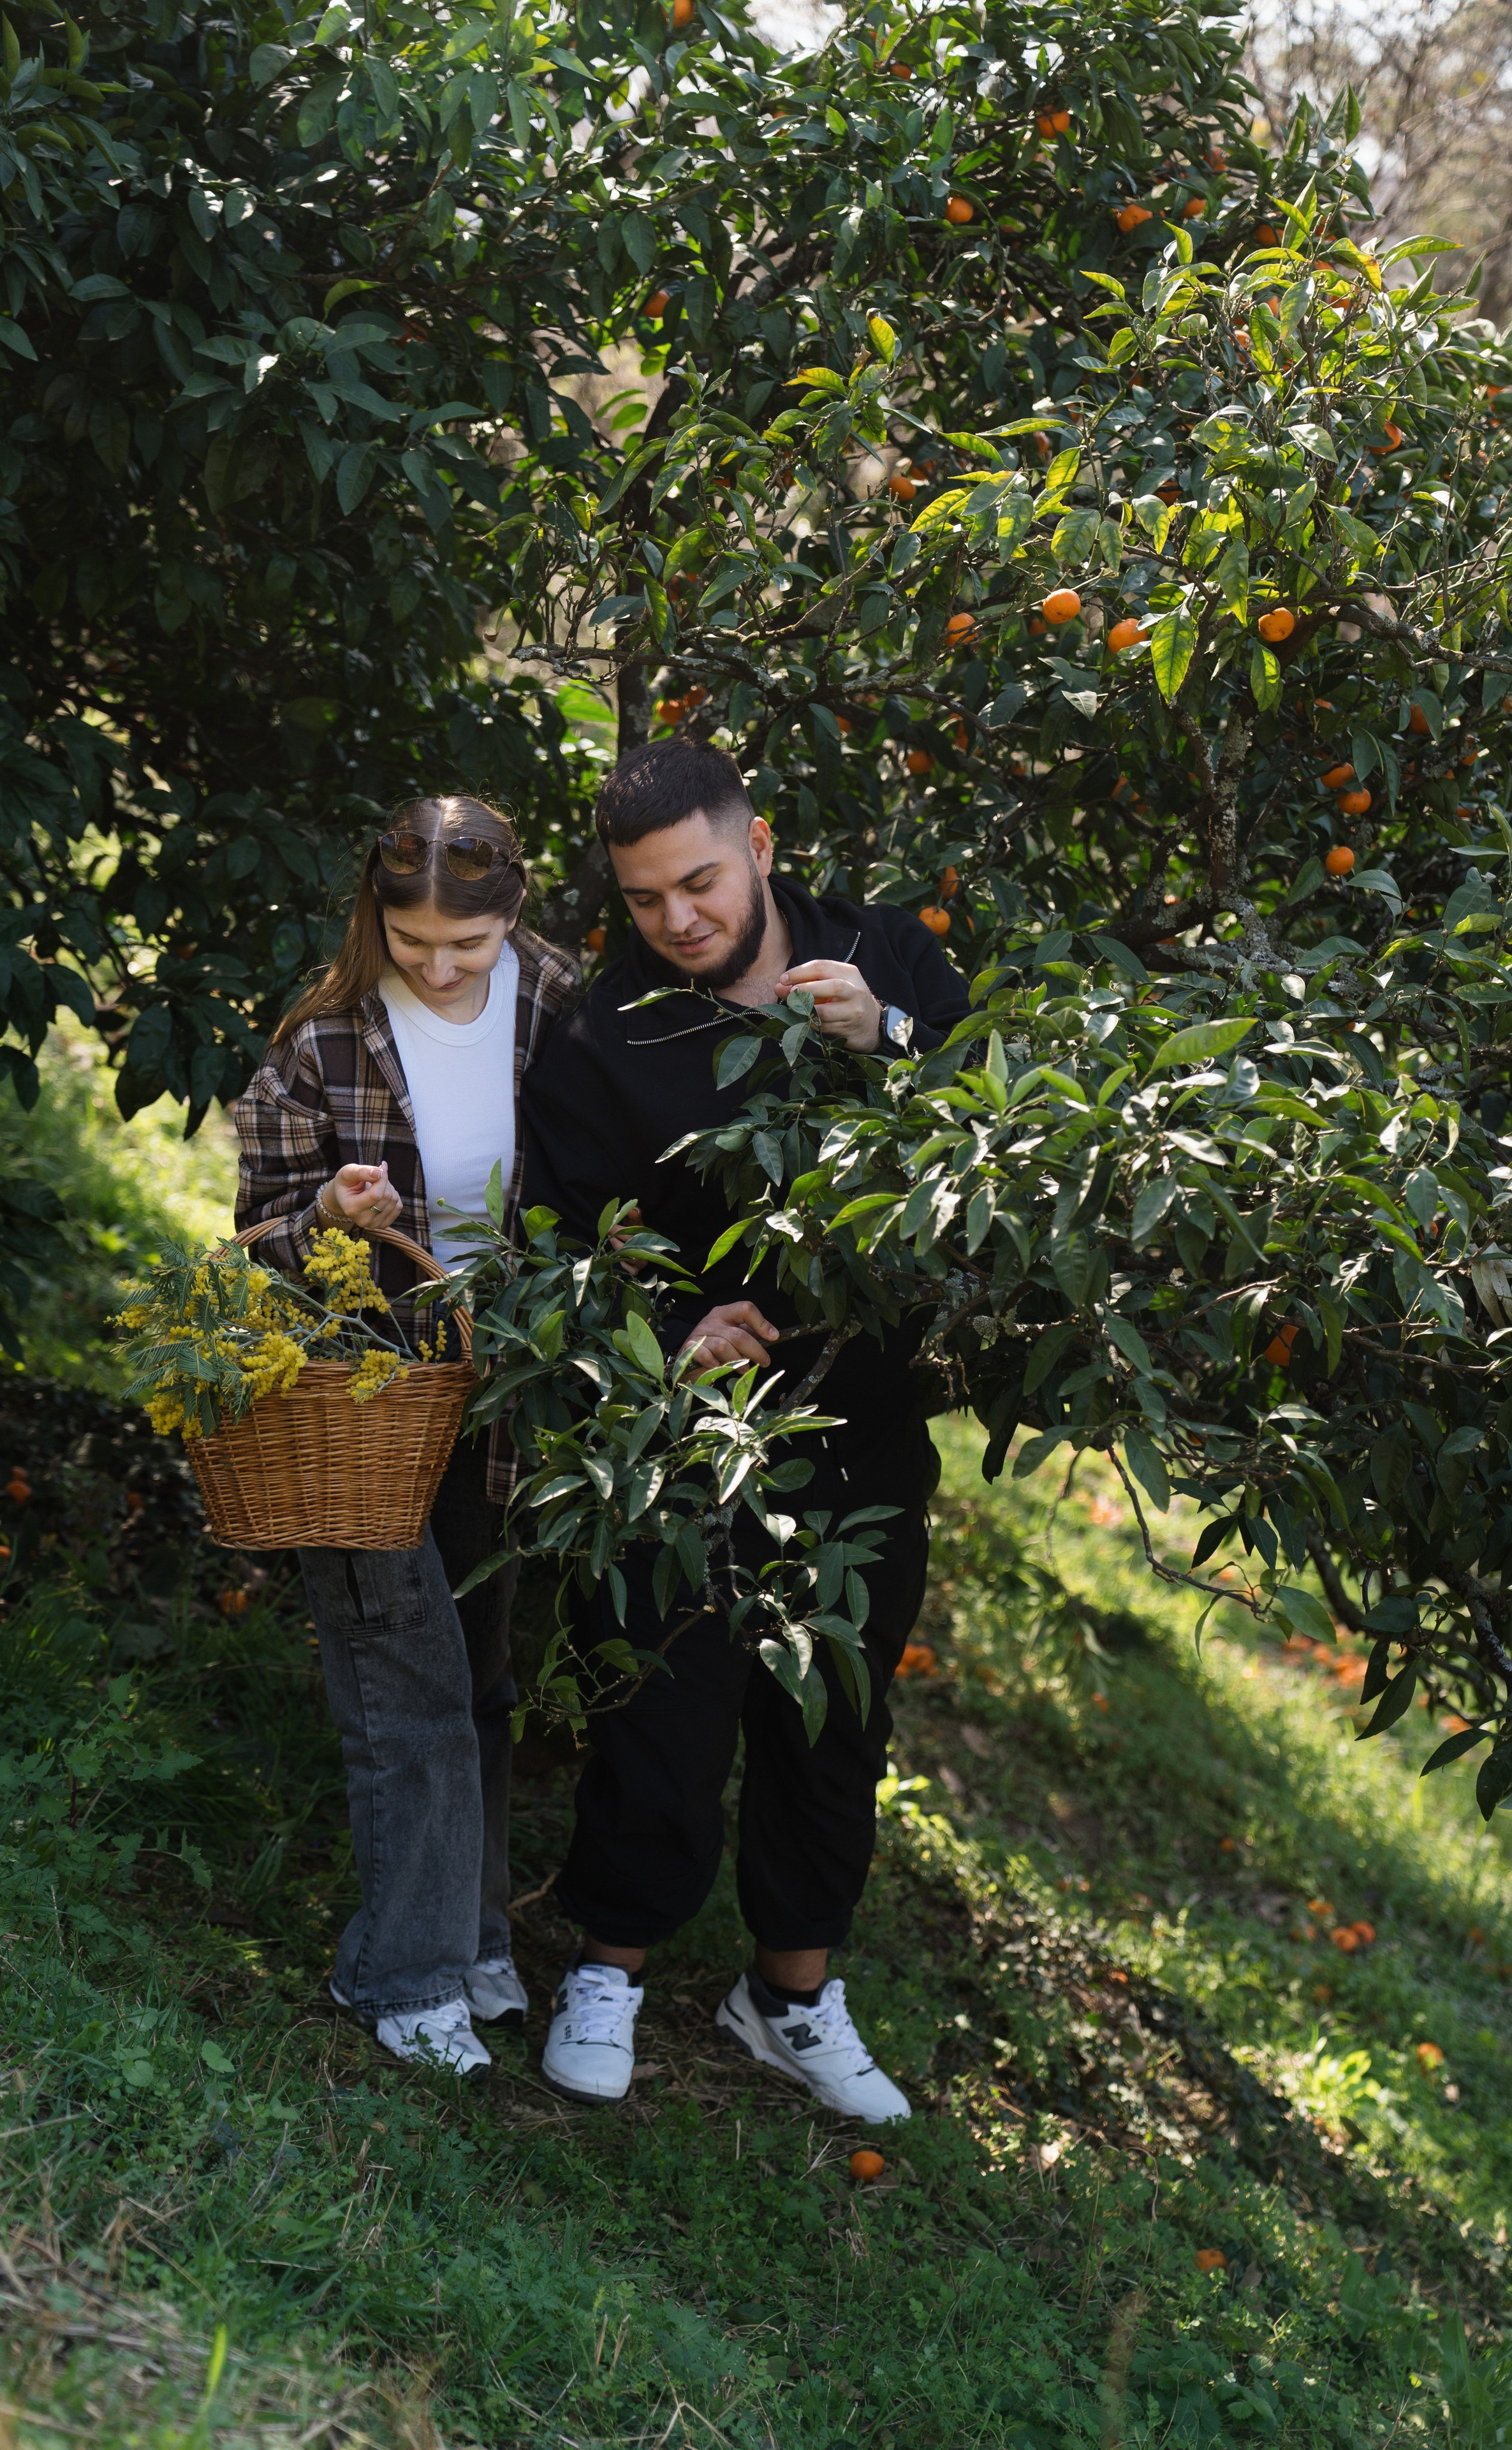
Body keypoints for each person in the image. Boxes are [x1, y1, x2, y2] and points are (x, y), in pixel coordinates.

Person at [519, 736, 969, 2122]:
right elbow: (569, 1239)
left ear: (757, 843)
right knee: (665, 1700)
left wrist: (880, 1041)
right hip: (687, 1428)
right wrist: (677, 1330)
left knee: (831, 1715)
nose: (679, 920)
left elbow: (996, 1133)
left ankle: (788, 1997)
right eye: (647, 898)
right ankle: (609, 1968)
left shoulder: (883, 951)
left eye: (700, 883)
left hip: (861, 1416)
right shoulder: (606, 1033)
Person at [235, 797, 576, 2077]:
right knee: (407, 1681)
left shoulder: (558, 1007)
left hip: (498, 1398)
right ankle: (403, 1973)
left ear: (514, 913)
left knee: (480, 1679)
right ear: (373, 914)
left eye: (465, 945)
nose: (436, 966)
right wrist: (324, 1206)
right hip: (363, 1401)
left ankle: (475, 1935)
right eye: (409, 937)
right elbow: (255, 1232)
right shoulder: (324, 1040)